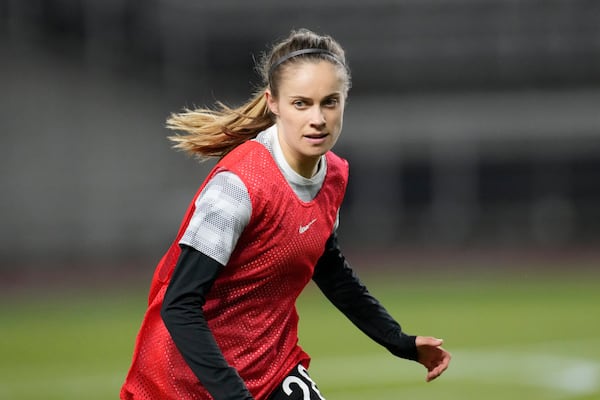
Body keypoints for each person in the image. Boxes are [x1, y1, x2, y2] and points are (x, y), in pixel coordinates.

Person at [120, 28, 451, 400]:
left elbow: (330, 270)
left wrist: (399, 341)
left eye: (330, 102)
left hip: (272, 368)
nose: (318, 118)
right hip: (184, 383)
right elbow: (179, 306)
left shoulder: (334, 175)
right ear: (273, 103)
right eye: (301, 104)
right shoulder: (238, 188)